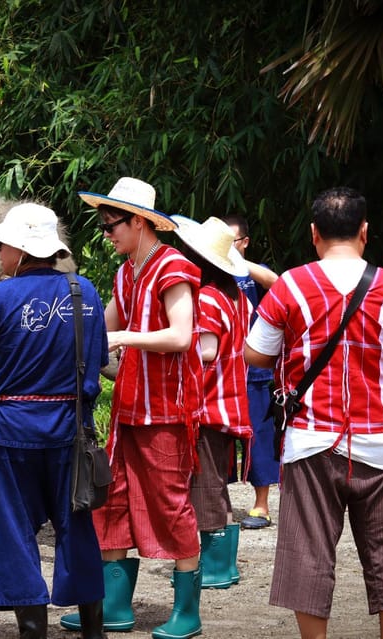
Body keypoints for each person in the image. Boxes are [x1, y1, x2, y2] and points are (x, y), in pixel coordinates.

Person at [245, 187, 383, 639]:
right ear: (365, 231)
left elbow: (255, 354)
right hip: (382, 441)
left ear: (313, 234)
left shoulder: (291, 285)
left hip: (311, 440)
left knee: (308, 554)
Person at [0, 203, 109, 639]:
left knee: (11, 532)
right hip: (70, 432)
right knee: (76, 528)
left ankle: (33, 631)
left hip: (10, 434)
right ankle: (93, 632)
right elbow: (98, 363)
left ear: (19, 249)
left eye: (1, 244)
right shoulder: (85, 293)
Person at [60, 177, 205, 639]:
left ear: (139, 222)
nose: (106, 233)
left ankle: (188, 611)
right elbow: (100, 337)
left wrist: (121, 340)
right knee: (113, 501)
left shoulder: (172, 267)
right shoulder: (127, 273)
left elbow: (182, 336)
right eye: (103, 225)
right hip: (127, 412)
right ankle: (116, 606)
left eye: (111, 224)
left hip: (165, 410)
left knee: (171, 504)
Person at [171, 214, 251, 589]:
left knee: (205, 486)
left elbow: (206, 351)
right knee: (216, 482)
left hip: (208, 403)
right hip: (232, 401)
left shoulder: (206, 298)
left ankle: (215, 565)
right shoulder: (236, 297)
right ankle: (224, 563)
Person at [222, 214, 279, 530]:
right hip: (218, 370)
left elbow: (278, 284)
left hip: (253, 370)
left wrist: (235, 259)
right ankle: (220, 505)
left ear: (244, 242)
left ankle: (261, 505)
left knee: (260, 435)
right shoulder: (209, 274)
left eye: (231, 241)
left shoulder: (253, 274)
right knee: (217, 438)